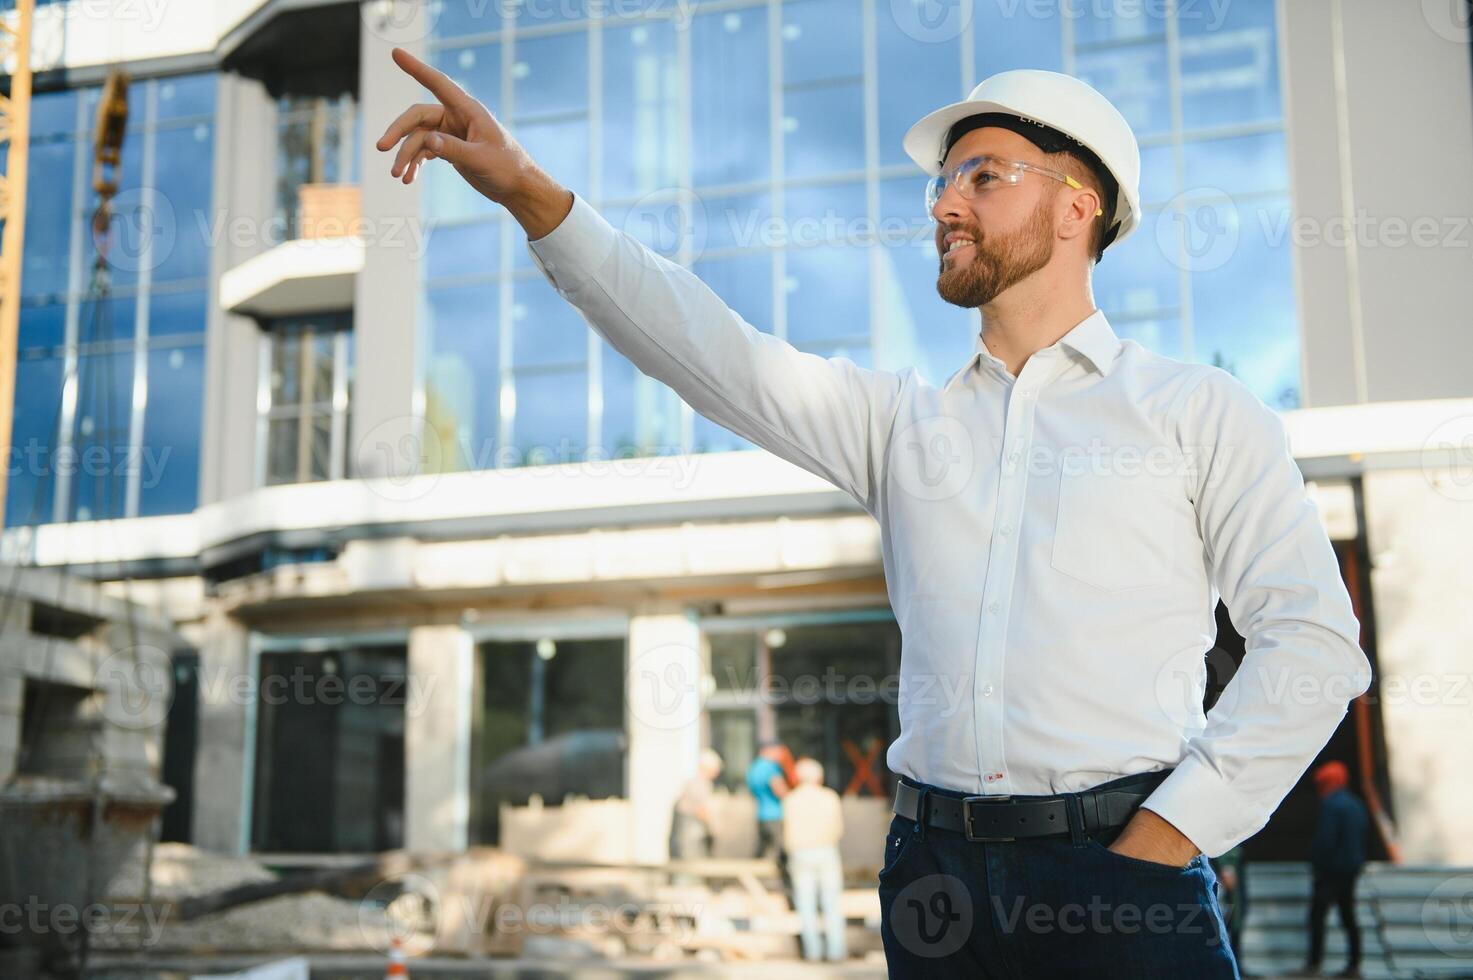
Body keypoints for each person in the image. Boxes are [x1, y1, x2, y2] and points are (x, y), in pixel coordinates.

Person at [376, 51, 1373, 979]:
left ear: (1079, 205)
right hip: (933, 884)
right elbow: (706, 344)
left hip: (1123, 882)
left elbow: (1314, 644)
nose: (944, 202)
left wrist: (1165, 837)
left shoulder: (1195, 412)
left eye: (983, 174)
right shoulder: (903, 424)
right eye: (941, 182)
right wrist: (530, 193)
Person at [1304, 760, 1369, 978]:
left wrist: (1316, 863)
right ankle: (1354, 964)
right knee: (1348, 915)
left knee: (1317, 916)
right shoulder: (1356, 804)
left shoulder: (1332, 805)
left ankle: (1314, 965)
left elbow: (1326, 840)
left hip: (1331, 871)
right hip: (1351, 870)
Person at [783, 757, 848, 962]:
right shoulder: (830, 797)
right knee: (832, 903)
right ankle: (836, 951)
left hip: (801, 853)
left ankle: (813, 952)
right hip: (826, 850)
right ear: (819, 777)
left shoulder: (790, 800)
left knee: (806, 904)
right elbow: (838, 828)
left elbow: (787, 832)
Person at [669, 748, 723, 867]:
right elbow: (701, 810)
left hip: (688, 838)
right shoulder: (698, 784)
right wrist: (713, 829)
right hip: (691, 839)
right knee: (691, 870)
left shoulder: (695, 783)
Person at [745, 742, 792, 866]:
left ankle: (753, 876)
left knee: (762, 850)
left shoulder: (754, 767)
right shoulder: (771, 768)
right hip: (775, 814)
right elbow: (780, 790)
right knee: (781, 850)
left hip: (761, 814)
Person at [1211, 843, 1248, 965]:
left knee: (1237, 916)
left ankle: (1236, 963)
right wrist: (1225, 867)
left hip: (1235, 863)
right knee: (1225, 919)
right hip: (1224, 864)